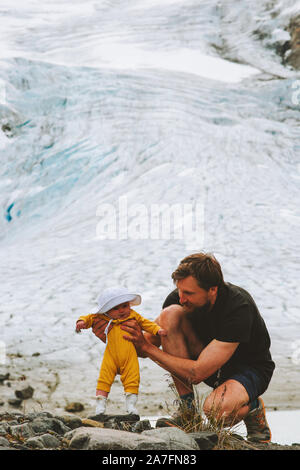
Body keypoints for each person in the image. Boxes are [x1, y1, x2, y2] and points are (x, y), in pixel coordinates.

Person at [92, 253, 275, 443]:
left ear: (212, 289)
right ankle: (188, 412)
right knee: (169, 314)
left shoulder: (238, 307)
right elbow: (143, 344)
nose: (181, 298)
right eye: (179, 290)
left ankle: (253, 408)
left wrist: (147, 348)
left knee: (216, 411)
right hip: (209, 359)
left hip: (250, 369)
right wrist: (113, 337)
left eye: (189, 293)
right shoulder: (177, 300)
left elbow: (197, 373)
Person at [76, 286, 166, 416]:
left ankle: (131, 406)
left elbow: (147, 324)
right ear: (106, 310)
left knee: (132, 379)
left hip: (129, 356)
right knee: (104, 379)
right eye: (116, 308)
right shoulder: (101, 318)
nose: (122, 311)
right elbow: (88, 318)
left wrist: (158, 330)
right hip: (110, 356)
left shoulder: (133, 316)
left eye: (124, 306)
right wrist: (81, 322)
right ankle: (100, 406)